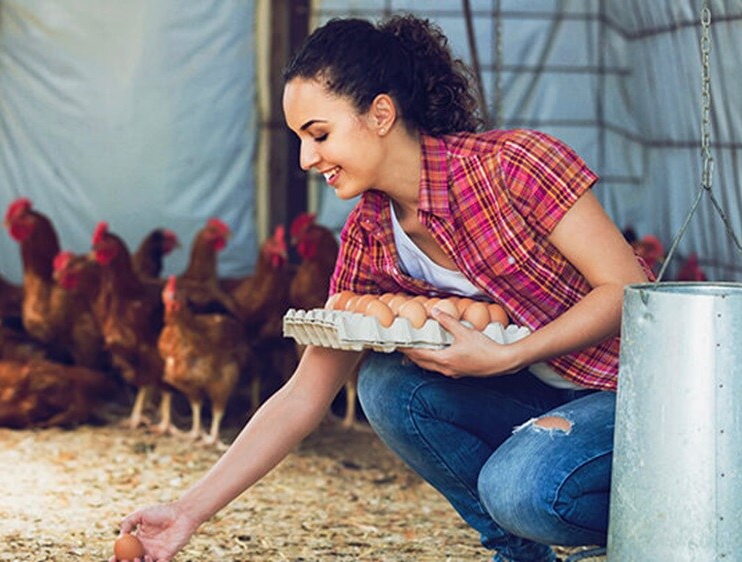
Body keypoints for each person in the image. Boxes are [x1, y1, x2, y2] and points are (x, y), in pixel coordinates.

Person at [113, 14, 651, 562]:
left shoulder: (513, 169)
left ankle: (659, 531)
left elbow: (628, 290)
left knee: (520, 492)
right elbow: (305, 393)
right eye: (300, 139)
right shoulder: (370, 234)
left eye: (319, 134)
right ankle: (518, 553)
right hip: (537, 395)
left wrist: (510, 354)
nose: (305, 159)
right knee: (387, 387)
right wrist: (188, 511)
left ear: (381, 114)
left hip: (625, 395)